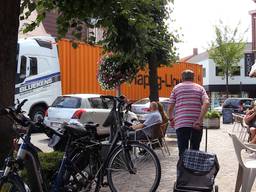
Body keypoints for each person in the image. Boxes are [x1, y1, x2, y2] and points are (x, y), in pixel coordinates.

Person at [168, 69, 210, 156]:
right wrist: (200, 120)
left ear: (182, 78)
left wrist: (171, 119)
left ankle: (183, 169)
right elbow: (206, 103)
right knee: (195, 150)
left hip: (181, 124)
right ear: (193, 78)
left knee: (182, 151)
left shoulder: (176, 88)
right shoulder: (200, 88)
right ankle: (193, 169)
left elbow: (170, 107)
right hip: (196, 124)